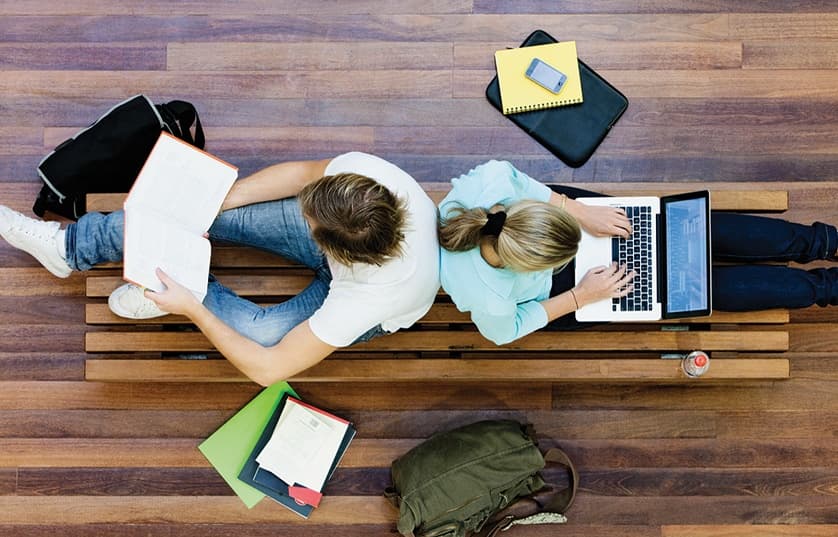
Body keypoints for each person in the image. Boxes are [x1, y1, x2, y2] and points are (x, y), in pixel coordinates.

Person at [0, 152, 440, 385]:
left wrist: (194, 309)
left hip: (368, 301)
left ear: (330, 246)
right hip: (355, 252)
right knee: (187, 209)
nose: (300, 214)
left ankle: (177, 291)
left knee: (264, 336)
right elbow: (304, 173)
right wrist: (217, 205)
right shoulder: (365, 178)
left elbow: (270, 368)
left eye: (309, 220)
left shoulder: (369, 297)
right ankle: (68, 246)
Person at [438, 160, 838, 345]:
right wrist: (581, 296)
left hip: (564, 218)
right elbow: (505, 332)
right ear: (518, 267)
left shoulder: (490, 184)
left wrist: (578, 212)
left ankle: (825, 241)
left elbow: (525, 182)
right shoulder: (489, 298)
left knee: (684, 229)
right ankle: (825, 288)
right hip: (566, 292)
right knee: (684, 290)